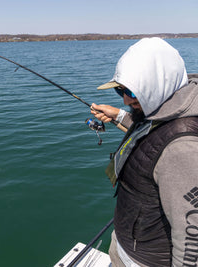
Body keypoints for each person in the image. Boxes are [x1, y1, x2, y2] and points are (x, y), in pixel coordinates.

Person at [91, 37, 198, 266]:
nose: (127, 98)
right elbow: (153, 133)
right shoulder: (166, 107)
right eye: (120, 90)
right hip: (128, 244)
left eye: (133, 90)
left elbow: (192, 237)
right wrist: (118, 115)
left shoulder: (182, 150)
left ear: (159, 84)